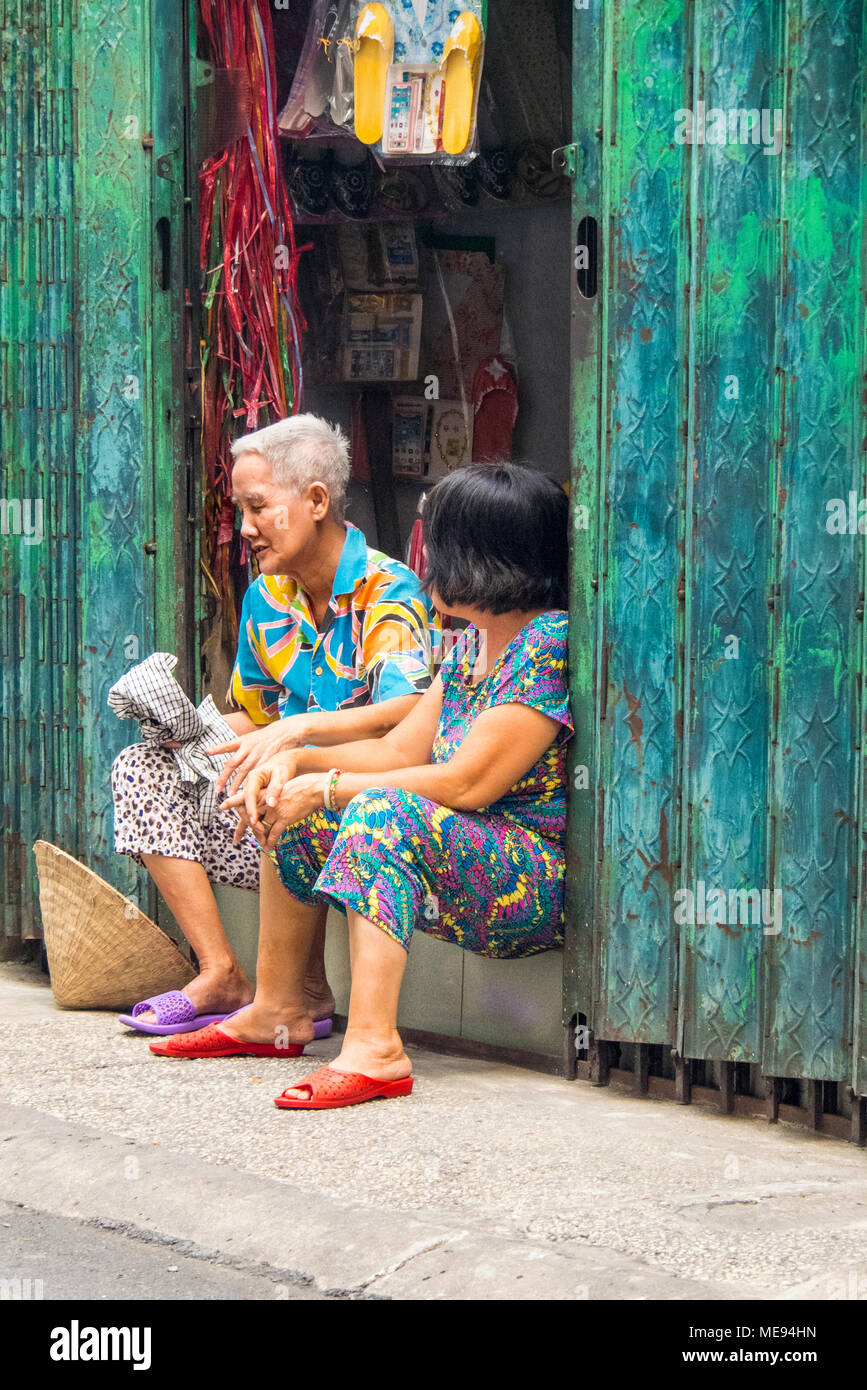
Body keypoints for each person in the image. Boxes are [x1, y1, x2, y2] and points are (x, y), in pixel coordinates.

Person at [151, 462, 573, 1113]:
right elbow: (396, 750)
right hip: (466, 856)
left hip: (527, 879)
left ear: (479, 553)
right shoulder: (470, 645)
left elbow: (467, 782)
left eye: (438, 544)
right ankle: (279, 1009)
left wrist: (327, 787)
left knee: (378, 809)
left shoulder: (545, 642)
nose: (426, 560)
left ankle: (375, 1048)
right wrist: (295, 766)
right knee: (296, 808)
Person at [111, 414, 439, 1033]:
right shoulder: (267, 596)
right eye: (241, 509)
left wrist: (297, 733)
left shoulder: (391, 592)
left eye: (258, 507)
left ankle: (301, 994)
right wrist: (193, 734)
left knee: (283, 780)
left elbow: (412, 713)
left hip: (349, 806)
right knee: (143, 767)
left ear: (316, 500)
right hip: (262, 808)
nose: (245, 528)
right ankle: (222, 975)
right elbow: (256, 716)